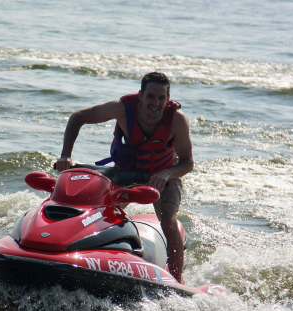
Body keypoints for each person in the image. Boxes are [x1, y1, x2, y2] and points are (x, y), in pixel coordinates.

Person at [55, 72, 193, 283]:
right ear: (140, 95)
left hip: (162, 177)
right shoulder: (121, 109)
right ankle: (76, 253)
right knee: (98, 212)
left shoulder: (176, 120)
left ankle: (177, 279)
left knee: (167, 218)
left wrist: (166, 174)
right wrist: (66, 155)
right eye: (150, 96)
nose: (155, 103)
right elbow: (78, 117)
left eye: (161, 98)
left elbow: (187, 163)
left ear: (167, 99)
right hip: (125, 172)